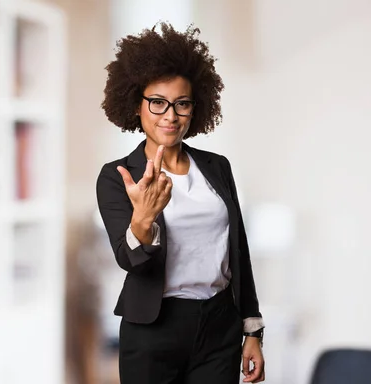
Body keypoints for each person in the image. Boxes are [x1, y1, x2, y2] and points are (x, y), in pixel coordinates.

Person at [96, 23, 265, 383]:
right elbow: (129, 260)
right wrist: (143, 219)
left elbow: (238, 250)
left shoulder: (217, 167)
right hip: (154, 328)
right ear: (136, 105)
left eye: (182, 103)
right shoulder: (118, 177)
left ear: (195, 107)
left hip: (220, 326)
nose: (170, 116)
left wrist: (252, 328)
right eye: (157, 102)